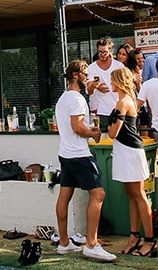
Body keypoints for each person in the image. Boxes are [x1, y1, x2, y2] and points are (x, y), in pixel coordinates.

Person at [53, 59, 116, 262]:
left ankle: (64, 243)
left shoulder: (63, 98)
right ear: (75, 75)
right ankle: (91, 244)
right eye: (85, 74)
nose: (88, 77)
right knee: (98, 194)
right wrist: (93, 134)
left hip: (66, 154)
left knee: (64, 196)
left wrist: (87, 131)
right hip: (79, 155)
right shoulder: (77, 99)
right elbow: (77, 127)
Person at [106, 67, 155, 258]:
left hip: (129, 152)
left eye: (112, 80)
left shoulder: (122, 102)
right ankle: (134, 237)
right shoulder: (127, 100)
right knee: (132, 194)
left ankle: (150, 240)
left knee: (138, 195)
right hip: (126, 151)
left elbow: (112, 133)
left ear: (118, 82)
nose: (110, 84)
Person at [86, 37, 123, 132]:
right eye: (100, 52)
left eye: (104, 52)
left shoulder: (118, 66)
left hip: (117, 108)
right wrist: (95, 86)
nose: (102, 55)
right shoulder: (91, 68)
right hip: (99, 109)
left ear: (110, 50)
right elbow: (89, 91)